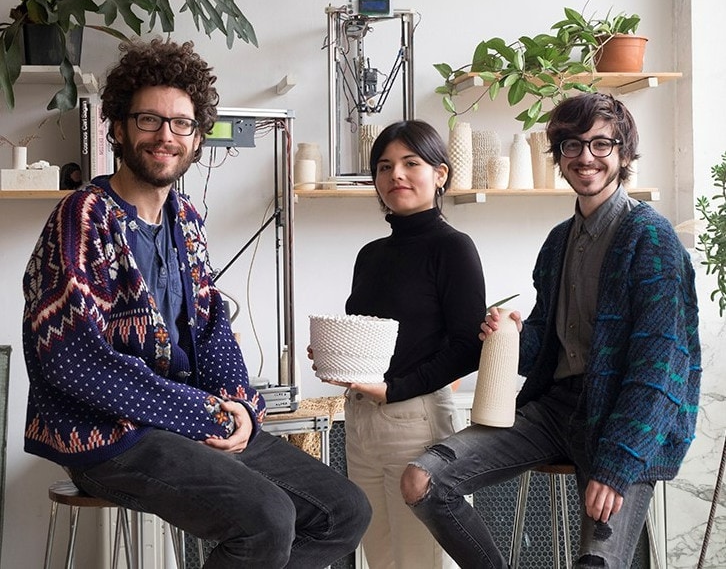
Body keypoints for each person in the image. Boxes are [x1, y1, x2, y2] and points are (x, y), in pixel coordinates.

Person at [22, 38, 371, 569]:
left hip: (185, 418)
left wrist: (243, 410)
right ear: (117, 127)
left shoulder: (186, 220)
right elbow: (74, 361)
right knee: (267, 518)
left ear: (197, 136)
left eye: (181, 123)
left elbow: (212, 331)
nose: (166, 136)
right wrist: (200, 411)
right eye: (149, 120)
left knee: (345, 511)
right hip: (106, 431)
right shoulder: (83, 217)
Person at [400, 93, 701, 569]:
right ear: (559, 156)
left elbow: (660, 372)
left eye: (602, 145)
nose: (586, 157)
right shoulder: (559, 240)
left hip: (625, 423)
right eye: (572, 145)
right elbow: (547, 340)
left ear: (624, 154)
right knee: (423, 481)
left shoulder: (651, 239)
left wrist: (616, 467)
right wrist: (511, 338)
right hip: (556, 409)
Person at [313, 120, 487, 568]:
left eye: (412, 163)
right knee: (379, 558)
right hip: (360, 420)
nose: (396, 176)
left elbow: (468, 347)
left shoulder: (454, 248)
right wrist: (335, 353)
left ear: (441, 174)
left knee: (422, 560)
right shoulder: (370, 255)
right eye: (385, 167)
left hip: (416, 421)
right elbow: (367, 337)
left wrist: (393, 390)